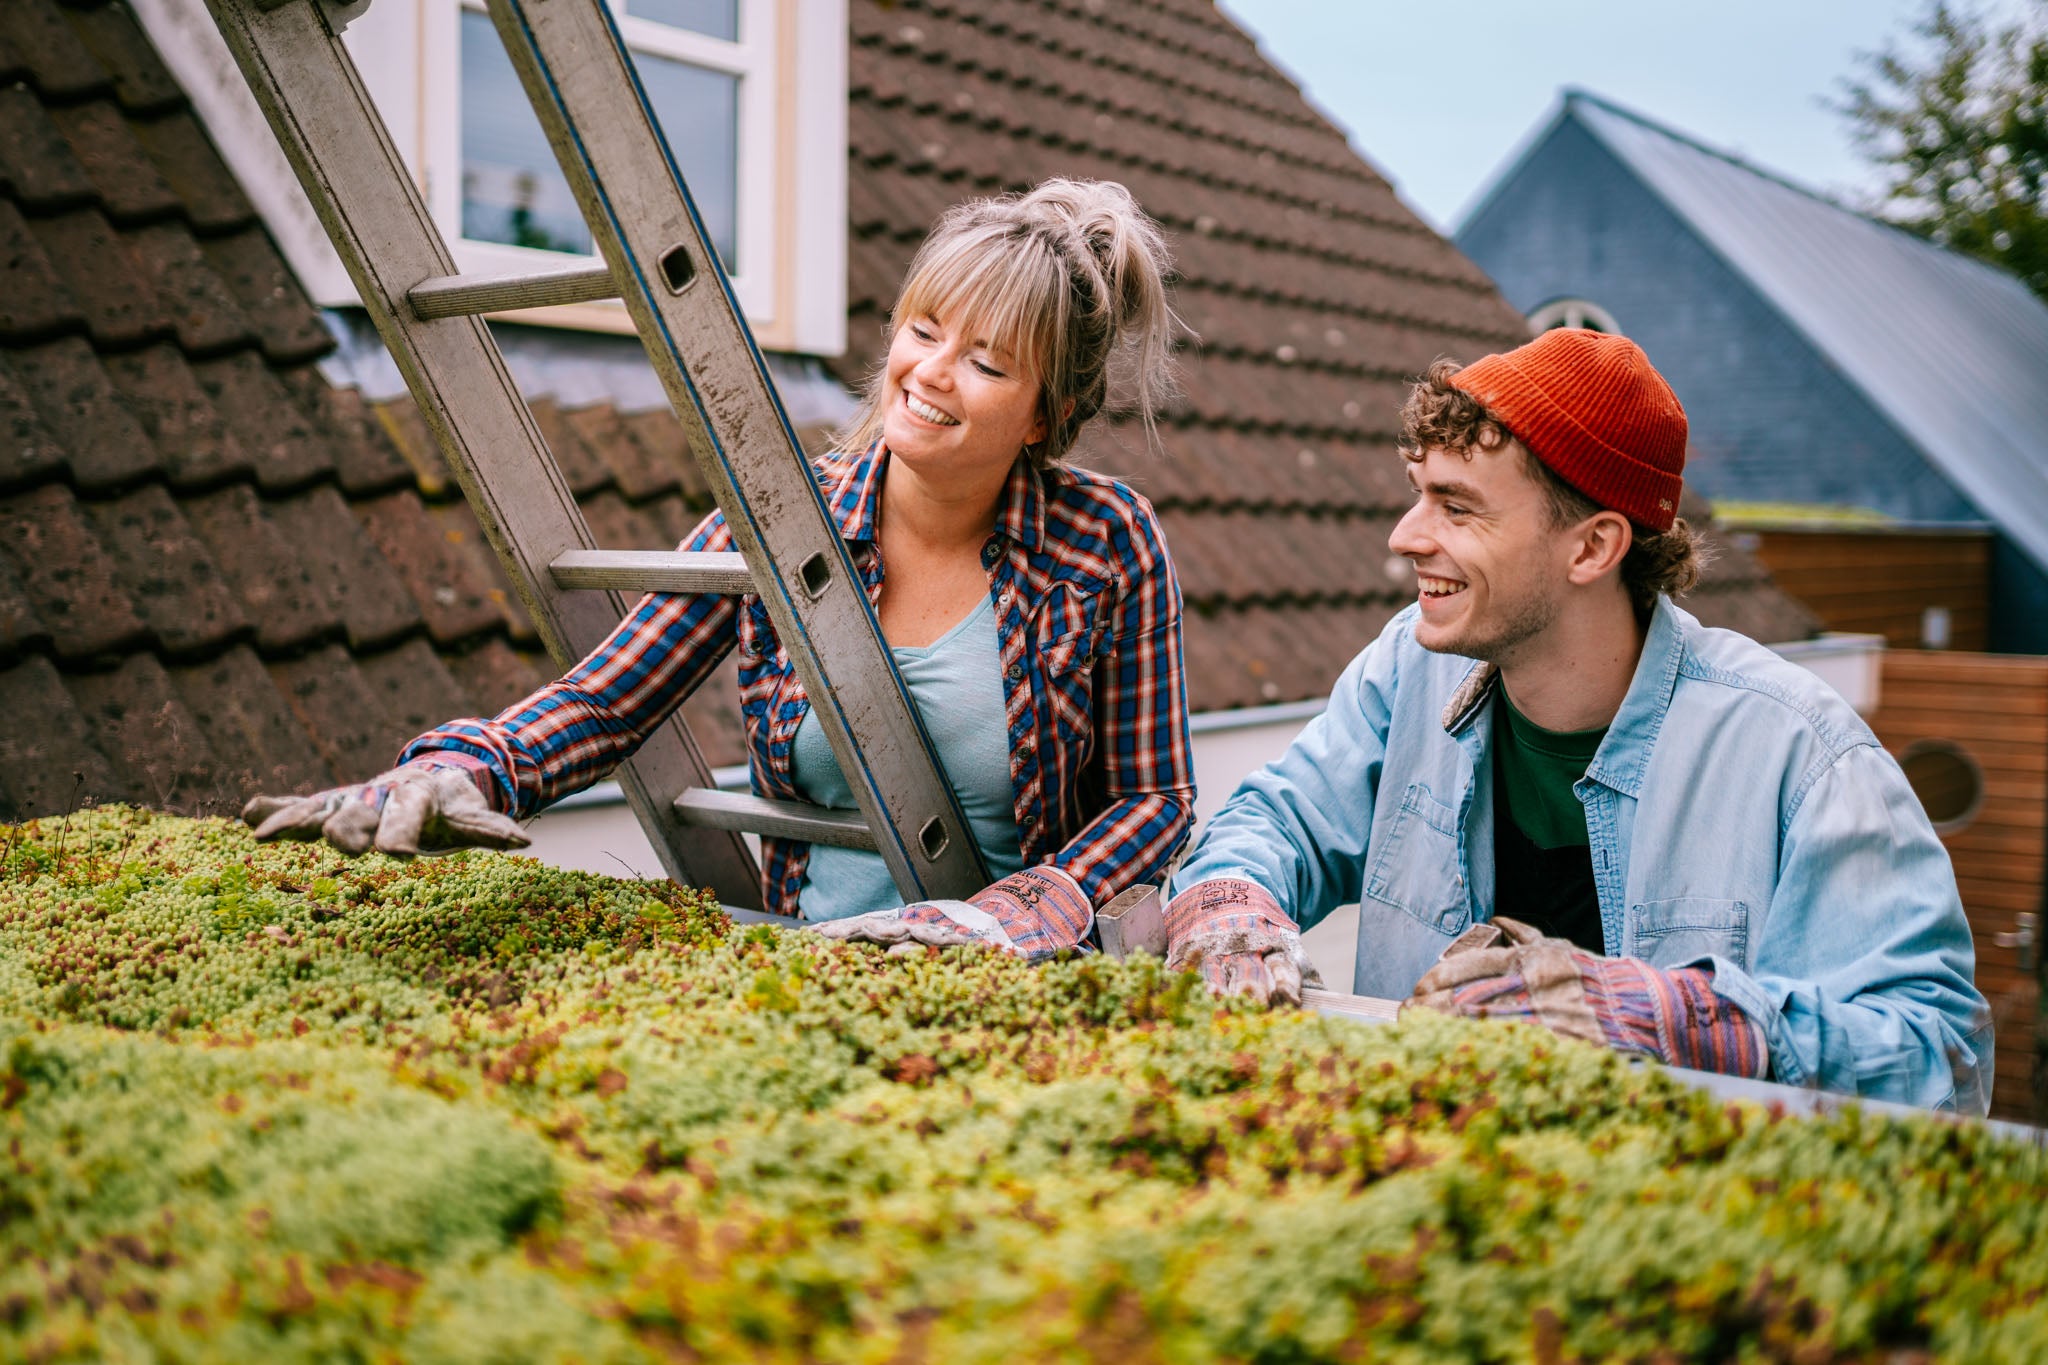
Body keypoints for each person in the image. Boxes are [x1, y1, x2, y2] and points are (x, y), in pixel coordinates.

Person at [244, 178, 1196, 961]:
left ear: (1043, 414)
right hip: (809, 966)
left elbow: (1157, 799)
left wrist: (1025, 912)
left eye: (987, 361)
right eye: (924, 328)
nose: (931, 371)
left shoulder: (1108, 545)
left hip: (1020, 988)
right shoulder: (783, 520)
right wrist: (468, 769)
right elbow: (604, 701)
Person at [1164, 328, 1992, 1113]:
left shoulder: (1802, 751)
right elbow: (1275, 821)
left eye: (1456, 507)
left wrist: (1679, 1018)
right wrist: (1228, 899)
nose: (1406, 536)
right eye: (1419, 496)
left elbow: (1942, 1057)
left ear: (1592, 548)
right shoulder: (1407, 671)